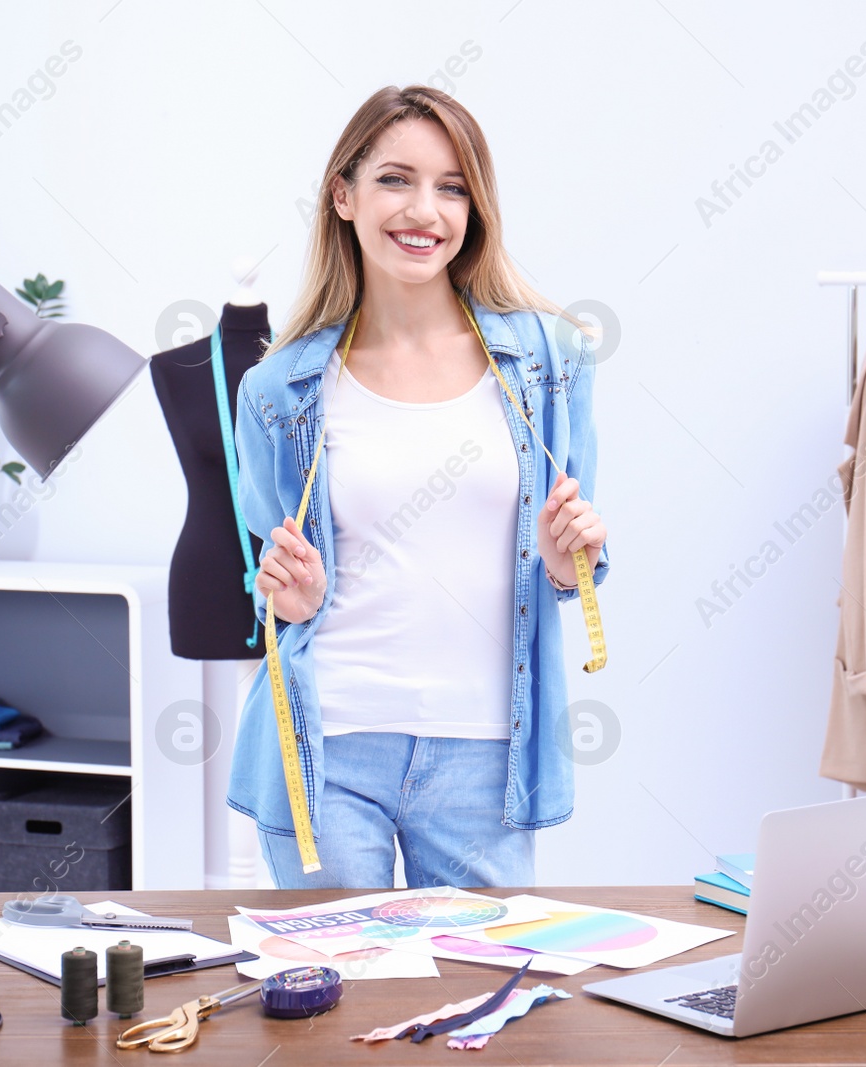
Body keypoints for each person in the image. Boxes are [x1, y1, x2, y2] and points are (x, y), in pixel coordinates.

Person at [227, 84, 610, 890]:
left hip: (486, 755)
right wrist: (286, 596)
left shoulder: (549, 360)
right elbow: (265, 579)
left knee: (481, 1004)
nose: (425, 210)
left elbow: (577, 565)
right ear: (343, 194)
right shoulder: (280, 390)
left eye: (453, 186)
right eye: (396, 179)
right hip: (329, 748)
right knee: (334, 1006)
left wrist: (564, 556)